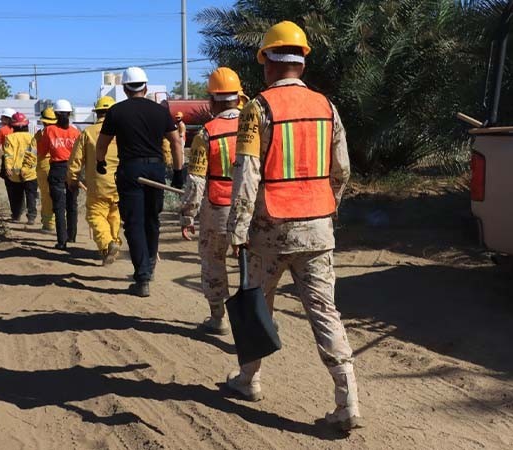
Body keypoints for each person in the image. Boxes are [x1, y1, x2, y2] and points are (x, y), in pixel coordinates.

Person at [224, 21, 360, 432]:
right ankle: (348, 400)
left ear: (267, 62)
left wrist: (237, 229)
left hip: (270, 231)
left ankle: (249, 380)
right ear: (301, 63)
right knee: (325, 313)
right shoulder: (327, 107)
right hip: (317, 229)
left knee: (255, 306)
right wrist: (326, 208)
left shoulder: (257, 108)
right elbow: (343, 170)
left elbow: (246, 173)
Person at [96, 66, 184, 297]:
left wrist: (100, 162)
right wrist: (178, 171)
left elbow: (103, 143)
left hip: (131, 171)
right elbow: (176, 142)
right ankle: (150, 267)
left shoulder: (116, 112)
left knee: (134, 224)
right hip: (155, 170)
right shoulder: (160, 111)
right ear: (145, 87)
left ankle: (142, 277)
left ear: (125, 88)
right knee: (151, 220)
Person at [179, 67, 246, 335]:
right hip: (253, 209)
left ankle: (219, 318)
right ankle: (259, 318)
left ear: (213, 100)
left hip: (218, 209)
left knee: (213, 261)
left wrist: (188, 214)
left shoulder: (208, 133)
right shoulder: (256, 127)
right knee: (253, 266)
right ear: (238, 98)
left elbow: (196, 180)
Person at [69, 96, 122, 265]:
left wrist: (72, 179)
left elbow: (76, 161)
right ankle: (114, 245)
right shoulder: (123, 132)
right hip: (121, 183)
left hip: (98, 184)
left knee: (95, 215)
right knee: (114, 215)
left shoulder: (88, 133)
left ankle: (107, 244)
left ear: (97, 113)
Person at [44, 99, 80, 250]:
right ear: (70, 113)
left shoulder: (49, 130)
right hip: (73, 168)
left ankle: (62, 241)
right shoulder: (76, 132)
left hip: (57, 169)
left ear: (56, 114)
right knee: (72, 204)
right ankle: (72, 236)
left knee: (59, 206)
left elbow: (43, 150)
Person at [1, 113, 38, 224]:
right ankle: (31, 217)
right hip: (31, 171)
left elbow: (8, 154)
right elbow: (33, 154)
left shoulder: (9, 138)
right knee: (31, 194)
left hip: (14, 173)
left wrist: (8, 167)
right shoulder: (32, 137)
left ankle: (16, 216)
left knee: (17, 195)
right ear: (26, 125)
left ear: (13, 125)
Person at [34, 107, 57, 231]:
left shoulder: (40, 134)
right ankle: (61, 222)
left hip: (44, 167)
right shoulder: (62, 131)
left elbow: (38, 152)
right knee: (59, 196)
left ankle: (49, 223)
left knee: (46, 196)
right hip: (61, 165)